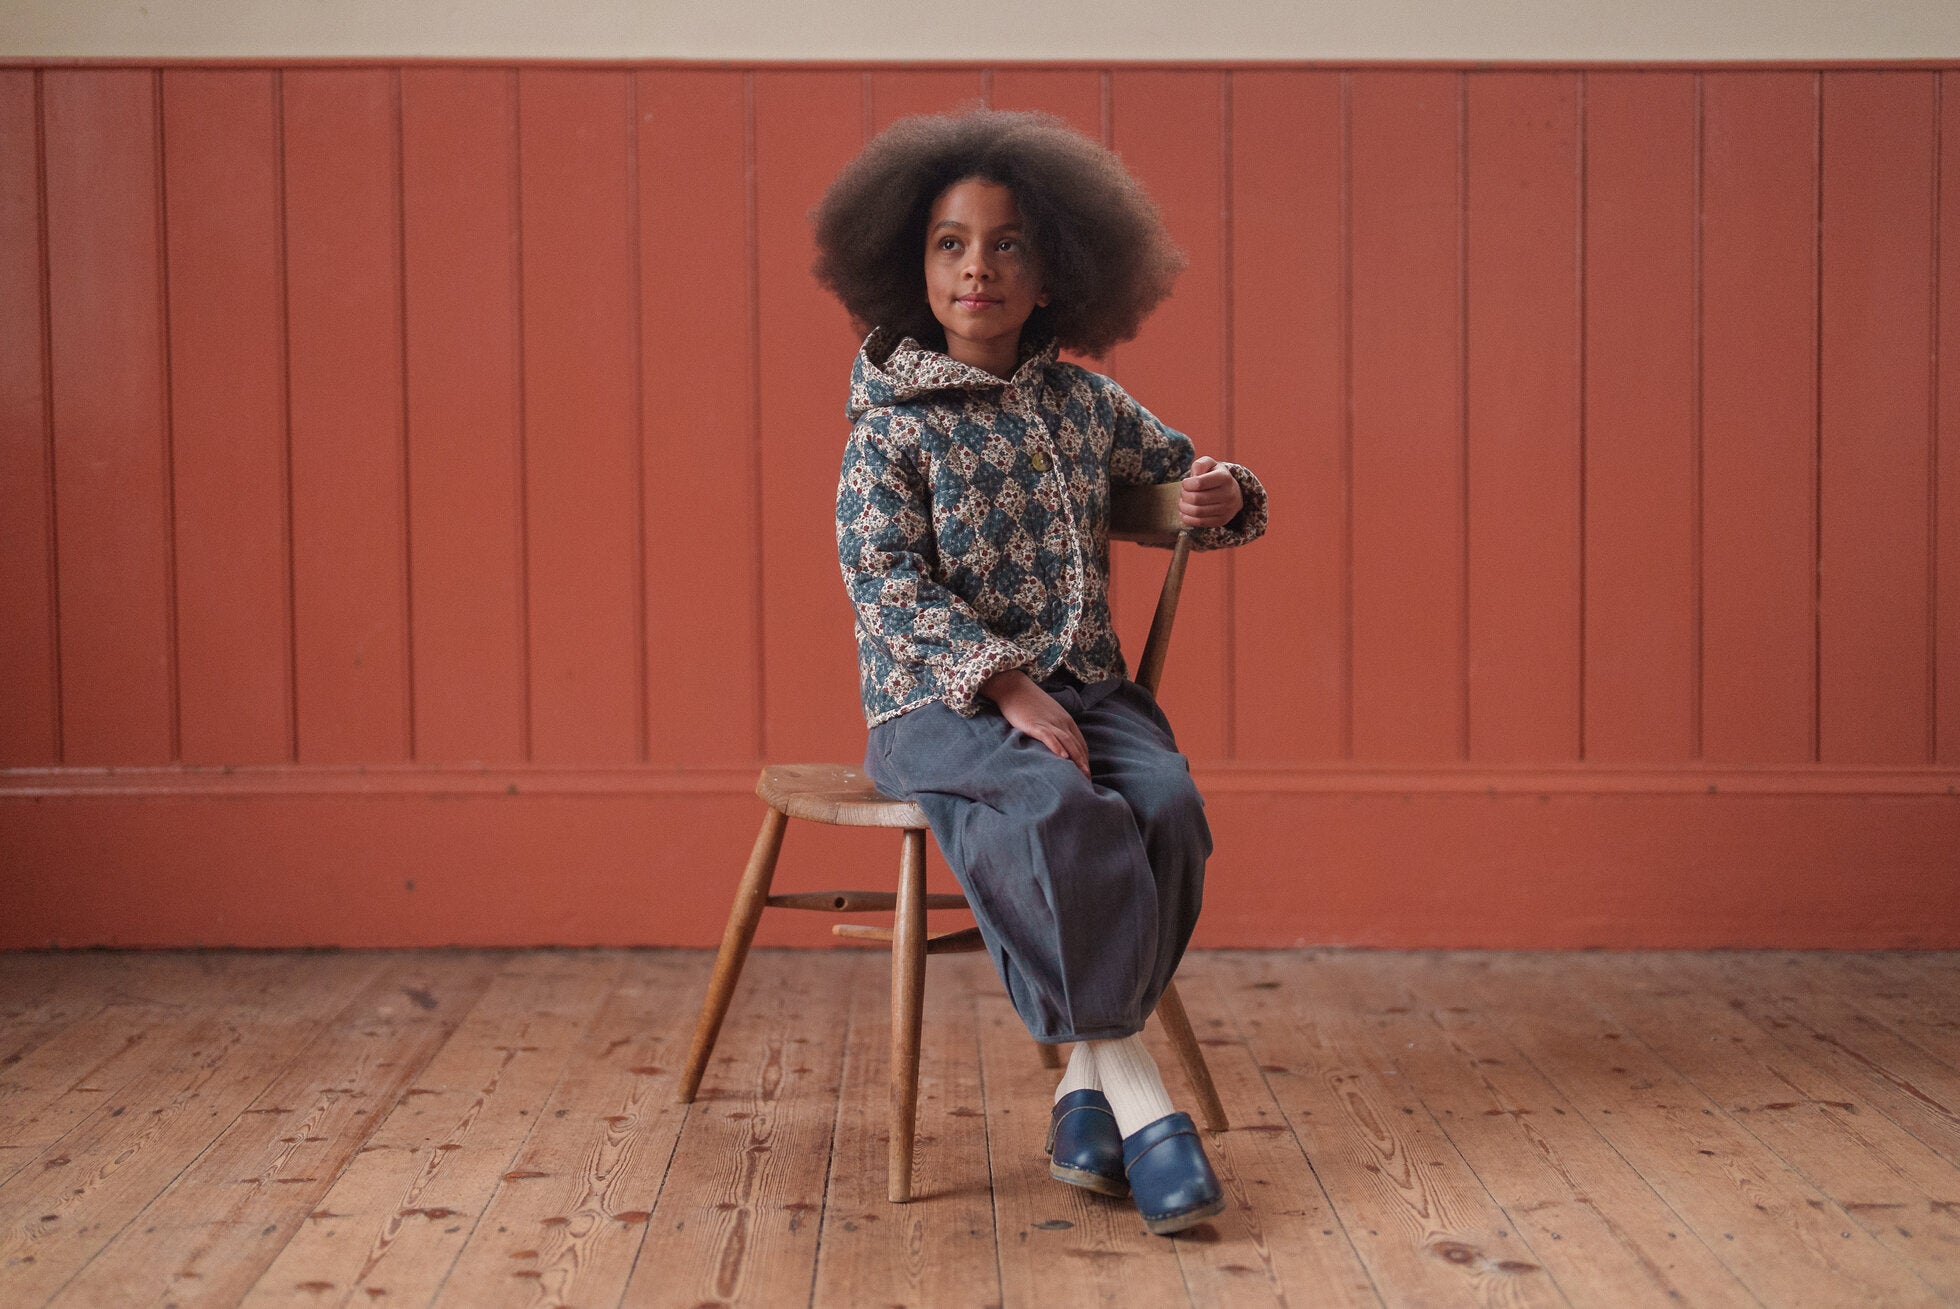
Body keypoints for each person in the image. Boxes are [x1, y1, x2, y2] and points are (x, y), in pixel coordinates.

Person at [815, 108, 1268, 1236]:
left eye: (1007, 244)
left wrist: (1218, 494)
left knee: (1165, 804)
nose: (978, 268)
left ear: (1056, 268)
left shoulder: (1081, 402)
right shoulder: (892, 427)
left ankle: (1082, 1091)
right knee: (1056, 807)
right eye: (951, 244)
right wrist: (1005, 684)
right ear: (912, 267)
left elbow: (1181, 487)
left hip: (1089, 690)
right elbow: (883, 580)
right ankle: (1138, 1093)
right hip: (939, 704)